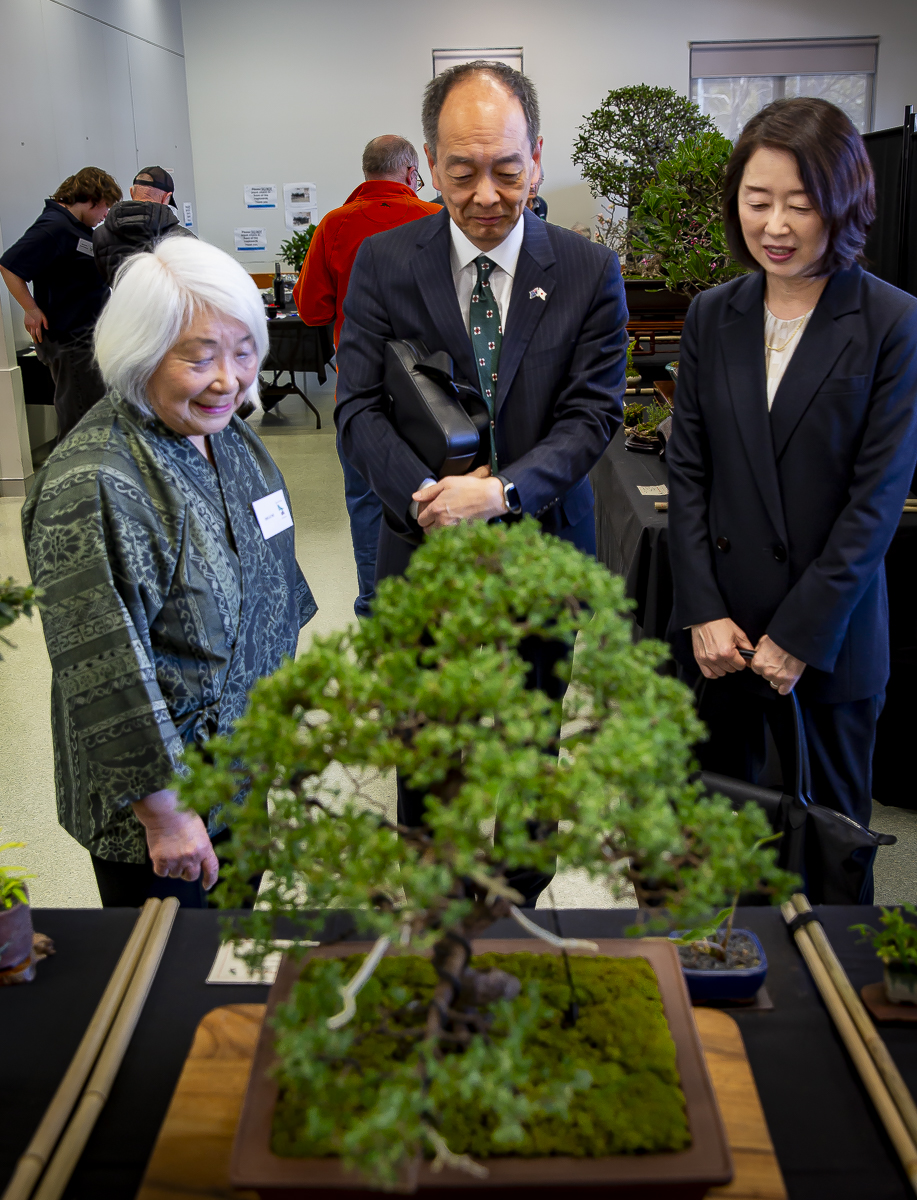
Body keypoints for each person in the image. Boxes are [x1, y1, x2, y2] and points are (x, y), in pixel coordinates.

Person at [334, 62, 627, 903]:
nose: (486, 193)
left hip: (541, 552)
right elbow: (356, 408)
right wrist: (432, 497)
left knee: (533, 749)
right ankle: (436, 920)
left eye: (505, 168)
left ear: (537, 156)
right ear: (427, 163)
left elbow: (591, 416)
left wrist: (497, 493)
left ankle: (519, 913)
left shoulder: (585, 270)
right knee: (429, 758)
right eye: (461, 171)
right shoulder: (386, 262)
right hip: (423, 552)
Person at [21, 237, 317, 907]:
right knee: (169, 980)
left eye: (243, 351)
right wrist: (165, 812)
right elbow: (101, 668)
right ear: (141, 351)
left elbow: (265, 570)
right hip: (161, 805)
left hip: (241, 765)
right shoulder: (98, 482)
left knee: (229, 959)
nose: (227, 379)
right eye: (198, 355)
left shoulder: (222, 433)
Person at [666, 98, 917, 861]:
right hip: (723, 643)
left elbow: (874, 501)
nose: (774, 225)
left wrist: (798, 635)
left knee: (827, 859)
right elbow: (687, 472)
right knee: (722, 857)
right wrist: (702, 611)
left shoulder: (889, 320)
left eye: (799, 205)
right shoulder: (713, 314)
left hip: (826, 642)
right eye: (757, 200)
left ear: (843, 204)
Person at [294, 135, 440, 619]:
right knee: (435, 496)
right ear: (409, 171)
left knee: (365, 501)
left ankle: (377, 607)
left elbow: (311, 310)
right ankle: (435, 604)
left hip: (360, 393)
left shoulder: (334, 225)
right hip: (432, 396)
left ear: (366, 171)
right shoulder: (434, 221)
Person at [0, 167, 121, 439]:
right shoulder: (55, 226)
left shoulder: (76, 228)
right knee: (80, 420)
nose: (105, 215)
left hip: (85, 336)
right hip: (70, 341)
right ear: (91, 198)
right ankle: (76, 476)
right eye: (105, 207)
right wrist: (30, 309)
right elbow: (9, 266)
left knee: (94, 413)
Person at [93, 165, 194, 286]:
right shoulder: (185, 239)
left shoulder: (99, 235)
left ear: (131, 192)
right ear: (166, 198)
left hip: (121, 304)